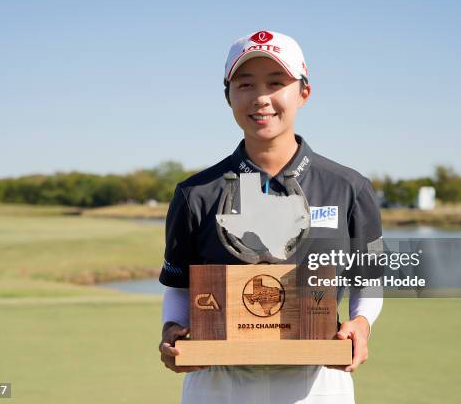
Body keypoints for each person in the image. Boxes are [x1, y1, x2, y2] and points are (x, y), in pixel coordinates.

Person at [158, 30, 383, 404]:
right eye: (245, 84)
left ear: (304, 92)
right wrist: (171, 331)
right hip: (218, 383)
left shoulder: (349, 187)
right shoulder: (195, 193)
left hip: (317, 383)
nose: (261, 98)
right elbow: (179, 285)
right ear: (228, 95)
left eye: (276, 83)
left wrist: (361, 326)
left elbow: (368, 281)